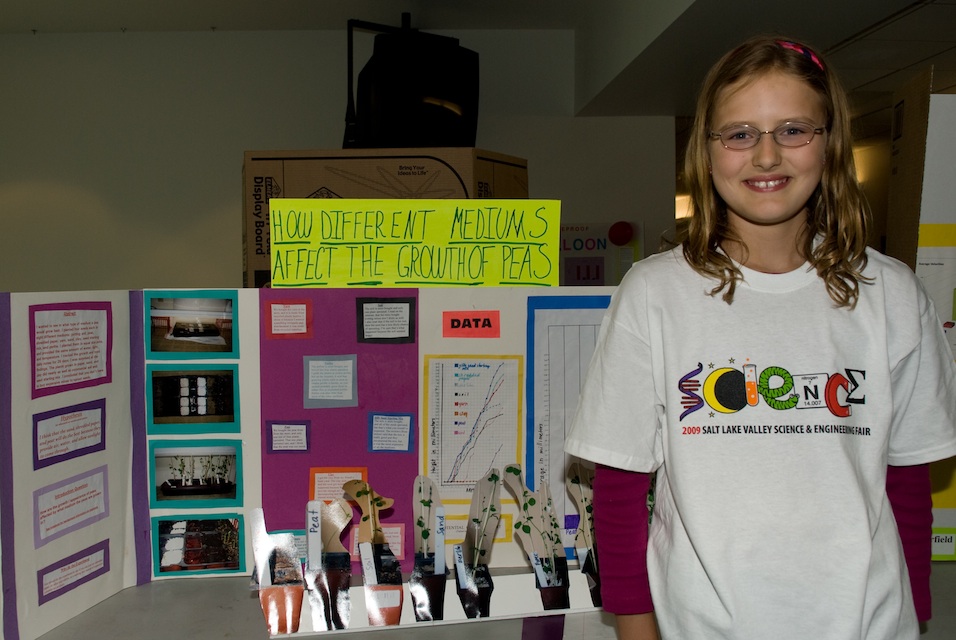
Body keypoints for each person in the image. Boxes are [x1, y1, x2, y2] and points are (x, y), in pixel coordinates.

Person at [564, 34, 956, 640]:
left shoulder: (894, 294)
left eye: (794, 130)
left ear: (830, 143)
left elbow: (906, 480)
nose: (767, 156)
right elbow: (618, 490)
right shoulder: (654, 294)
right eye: (740, 133)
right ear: (706, 151)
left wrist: (919, 614)